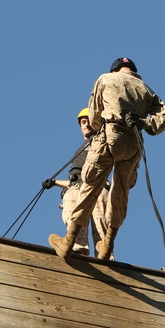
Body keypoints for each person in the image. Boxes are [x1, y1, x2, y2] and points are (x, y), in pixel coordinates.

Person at [49, 57, 165, 260]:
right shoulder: (146, 89)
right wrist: (143, 123)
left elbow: (94, 116)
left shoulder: (106, 79)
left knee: (89, 187)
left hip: (109, 136)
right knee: (121, 191)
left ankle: (69, 241)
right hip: (133, 144)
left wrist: (101, 126)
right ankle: (107, 244)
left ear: (115, 70)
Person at [42, 108, 110, 256]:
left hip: (97, 185)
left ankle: (105, 255)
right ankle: (78, 249)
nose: (86, 125)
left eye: (89, 121)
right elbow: (75, 182)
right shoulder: (80, 150)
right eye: (83, 122)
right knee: (74, 213)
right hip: (78, 187)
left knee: (100, 221)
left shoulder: (102, 140)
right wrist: (54, 183)